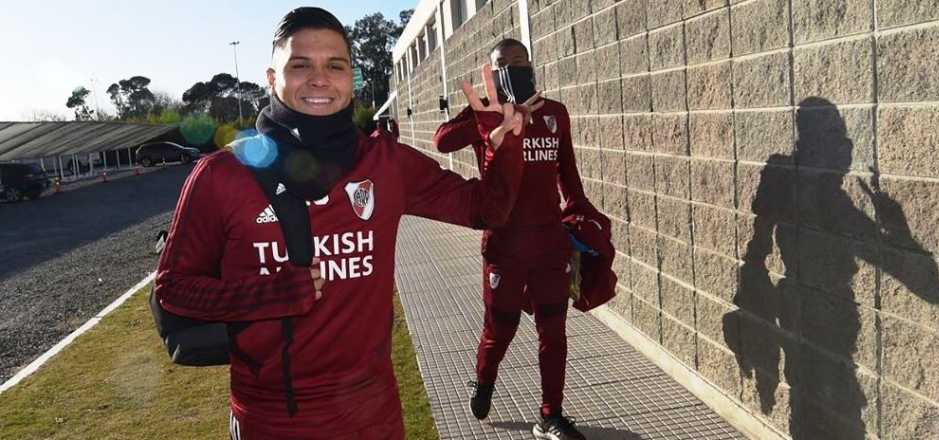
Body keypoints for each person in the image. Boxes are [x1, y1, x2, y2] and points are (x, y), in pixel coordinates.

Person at [153, 7, 526, 439]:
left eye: (336, 65)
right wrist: (264, 295)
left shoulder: (386, 164)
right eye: (300, 65)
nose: (320, 78)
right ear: (272, 79)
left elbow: (487, 210)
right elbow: (173, 288)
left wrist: (504, 147)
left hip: (374, 414)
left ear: (353, 79)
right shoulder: (222, 175)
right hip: (271, 419)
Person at [434, 38, 603, 440]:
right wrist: (488, 116)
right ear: (491, 74)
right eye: (500, 64)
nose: (510, 68)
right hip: (504, 246)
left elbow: (569, 175)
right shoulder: (487, 116)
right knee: (501, 328)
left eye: (517, 61)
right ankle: (484, 379)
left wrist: (582, 218)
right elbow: (442, 141)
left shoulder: (556, 115)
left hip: (549, 244)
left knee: (554, 331)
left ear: (531, 65)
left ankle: (551, 414)